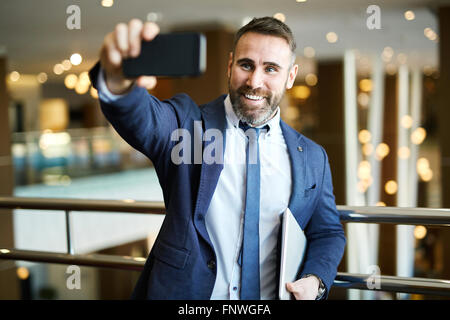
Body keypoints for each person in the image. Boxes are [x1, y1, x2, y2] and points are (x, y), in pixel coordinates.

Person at [89, 16, 346, 300]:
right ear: (230, 65)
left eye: (270, 69)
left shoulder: (312, 156)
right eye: (246, 65)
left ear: (291, 76)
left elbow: (328, 231)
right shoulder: (189, 125)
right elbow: (143, 118)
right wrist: (117, 81)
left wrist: (316, 280)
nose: (254, 81)